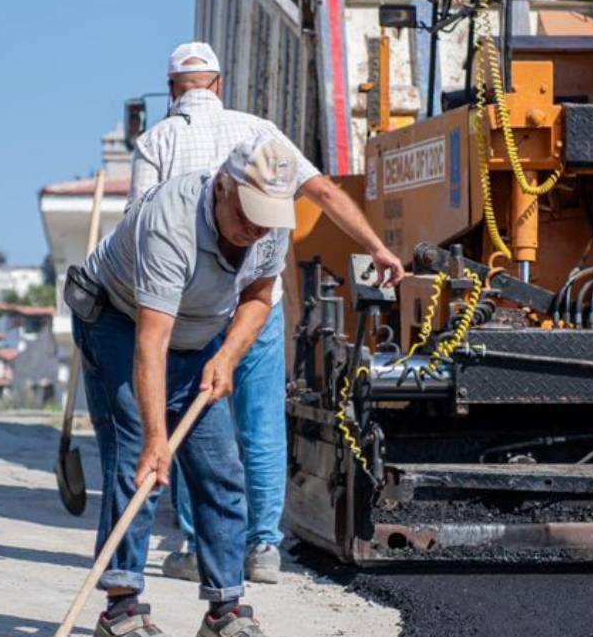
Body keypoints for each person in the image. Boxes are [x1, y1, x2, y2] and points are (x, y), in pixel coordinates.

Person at [130, 41, 404, 585]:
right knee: (261, 427)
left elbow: (138, 223)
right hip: (259, 302)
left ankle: (194, 545)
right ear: (219, 85)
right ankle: (262, 549)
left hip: (196, 308)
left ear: (171, 91)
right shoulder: (258, 131)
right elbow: (322, 190)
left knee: (191, 421)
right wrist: (377, 246)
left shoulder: (156, 139)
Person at [70, 132, 301, 637]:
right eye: (247, 214)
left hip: (199, 336)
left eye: (266, 219)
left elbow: (259, 298)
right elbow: (152, 340)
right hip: (120, 321)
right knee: (141, 463)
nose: (254, 230)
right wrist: (157, 438)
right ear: (223, 186)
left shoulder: (269, 228)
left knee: (221, 470)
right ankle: (121, 613)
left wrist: (227, 358)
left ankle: (225, 614)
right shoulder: (171, 223)